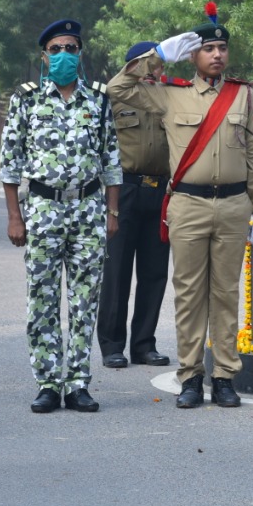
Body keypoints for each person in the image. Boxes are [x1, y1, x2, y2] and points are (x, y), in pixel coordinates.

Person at [107, 7, 253, 410]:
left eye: (222, 48)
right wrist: (158, 55)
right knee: (189, 294)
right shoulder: (170, 93)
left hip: (233, 205)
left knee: (226, 294)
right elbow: (117, 89)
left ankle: (225, 376)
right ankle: (191, 376)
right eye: (208, 48)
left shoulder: (244, 95)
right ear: (193, 56)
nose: (217, 55)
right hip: (188, 206)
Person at [0, 19, 121, 414]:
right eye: (56, 49)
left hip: (88, 210)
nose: (64, 55)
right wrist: (14, 217)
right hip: (43, 210)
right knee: (43, 299)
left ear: (80, 54)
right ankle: (49, 383)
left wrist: (112, 212)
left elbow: (112, 161)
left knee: (85, 301)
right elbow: (10, 163)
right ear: (44, 56)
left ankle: (79, 383)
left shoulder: (98, 100)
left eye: (71, 48)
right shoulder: (27, 99)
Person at [97, 42, 173, 370]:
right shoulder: (113, 96)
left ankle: (144, 344)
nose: (156, 71)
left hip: (161, 192)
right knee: (117, 272)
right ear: (134, 66)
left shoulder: (167, 98)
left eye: (157, 65)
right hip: (123, 191)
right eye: (148, 65)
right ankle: (113, 345)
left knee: (154, 273)